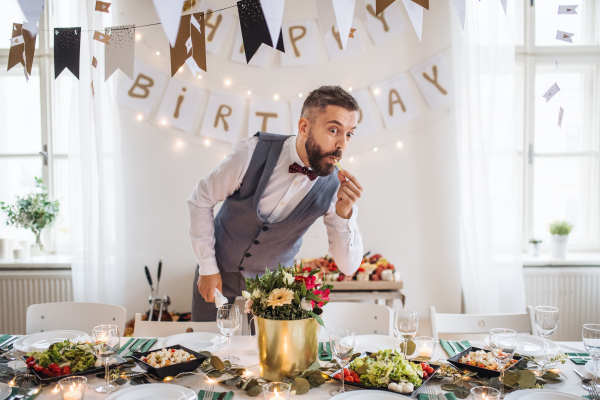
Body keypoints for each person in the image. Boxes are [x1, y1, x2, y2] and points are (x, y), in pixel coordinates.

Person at [188, 85, 364, 321]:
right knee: (204, 346)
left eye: (349, 134)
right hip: (217, 269)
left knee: (266, 356)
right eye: (334, 130)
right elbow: (201, 199)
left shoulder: (337, 189)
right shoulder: (251, 152)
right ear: (304, 127)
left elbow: (349, 267)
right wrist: (207, 268)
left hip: (275, 288)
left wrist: (345, 213)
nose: (342, 144)